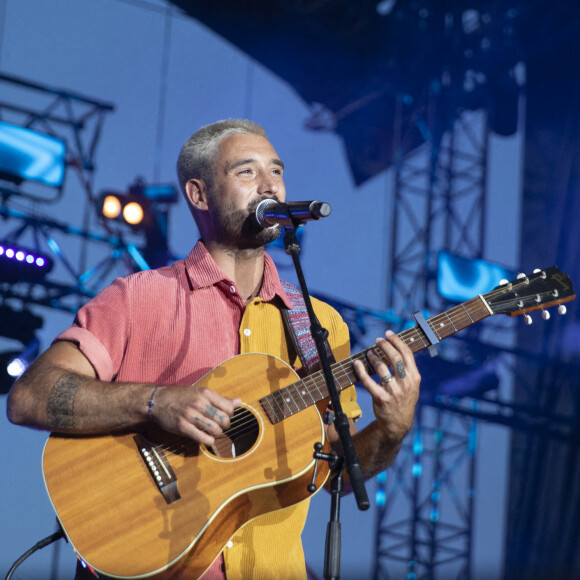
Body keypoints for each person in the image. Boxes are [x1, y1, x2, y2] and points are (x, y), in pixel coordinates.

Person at [7, 119, 421, 580]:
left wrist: (392, 429)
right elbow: (29, 397)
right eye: (247, 172)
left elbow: (337, 478)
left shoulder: (321, 326)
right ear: (199, 195)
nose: (270, 185)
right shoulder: (136, 298)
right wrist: (155, 401)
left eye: (277, 172)